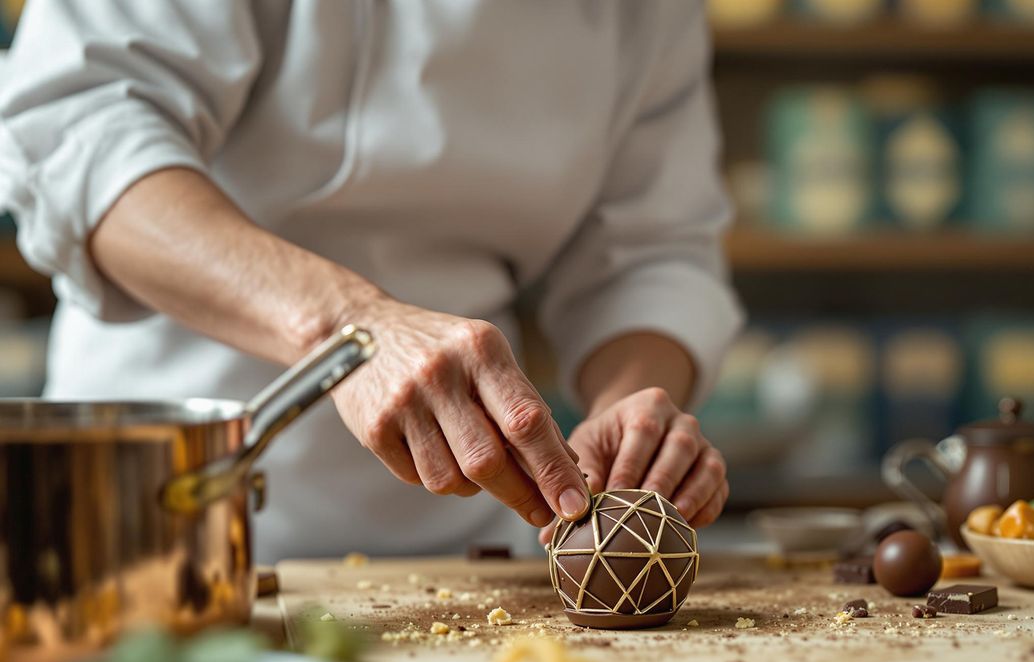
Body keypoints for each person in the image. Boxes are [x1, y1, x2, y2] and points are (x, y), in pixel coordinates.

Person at [0, 1, 744, 562]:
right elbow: (80, 137)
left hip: (476, 540)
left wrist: (631, 424)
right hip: (174, 511)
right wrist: (348, 329)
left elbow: (650, 251)